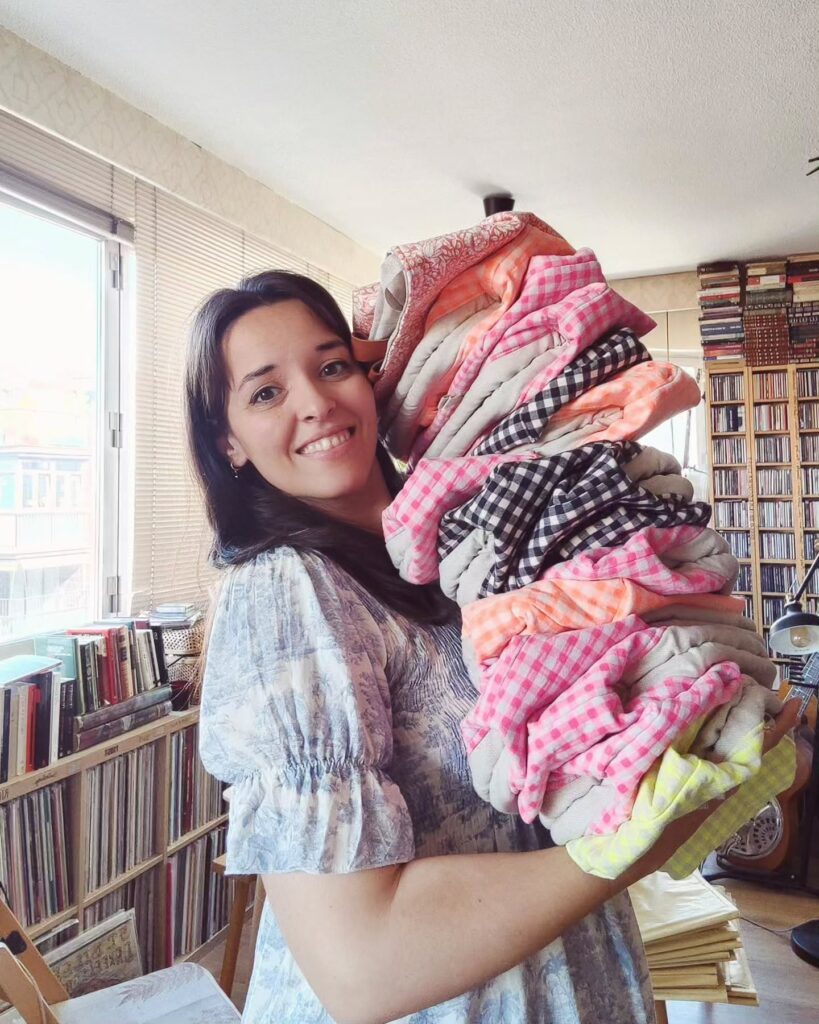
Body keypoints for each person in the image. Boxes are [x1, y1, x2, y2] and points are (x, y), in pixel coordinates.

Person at [186, 270, 797, 1024]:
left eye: (332, 365)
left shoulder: (469, 547)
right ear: (228, 442)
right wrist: (633, 837)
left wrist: (706, 755)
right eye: (266, 392)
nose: (314, 402)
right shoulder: (286, 591)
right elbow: (361, 967)